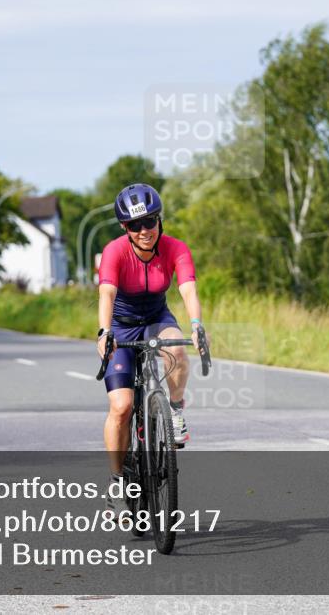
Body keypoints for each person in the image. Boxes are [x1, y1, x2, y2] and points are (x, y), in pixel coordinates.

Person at [96, 183, 206, 516]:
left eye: (151, 222)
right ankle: (117, 483)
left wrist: (198, 326)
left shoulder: (175, 248)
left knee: (177, 351)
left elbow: (187, 290)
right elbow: (107, 295)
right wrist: (104, 332)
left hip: (157, 316)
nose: (145, 231)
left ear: (160, 219)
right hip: (122, 324)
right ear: (124, 228)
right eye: (135, 225)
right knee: (122, 407)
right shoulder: (115, 252)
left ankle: (173, 410)